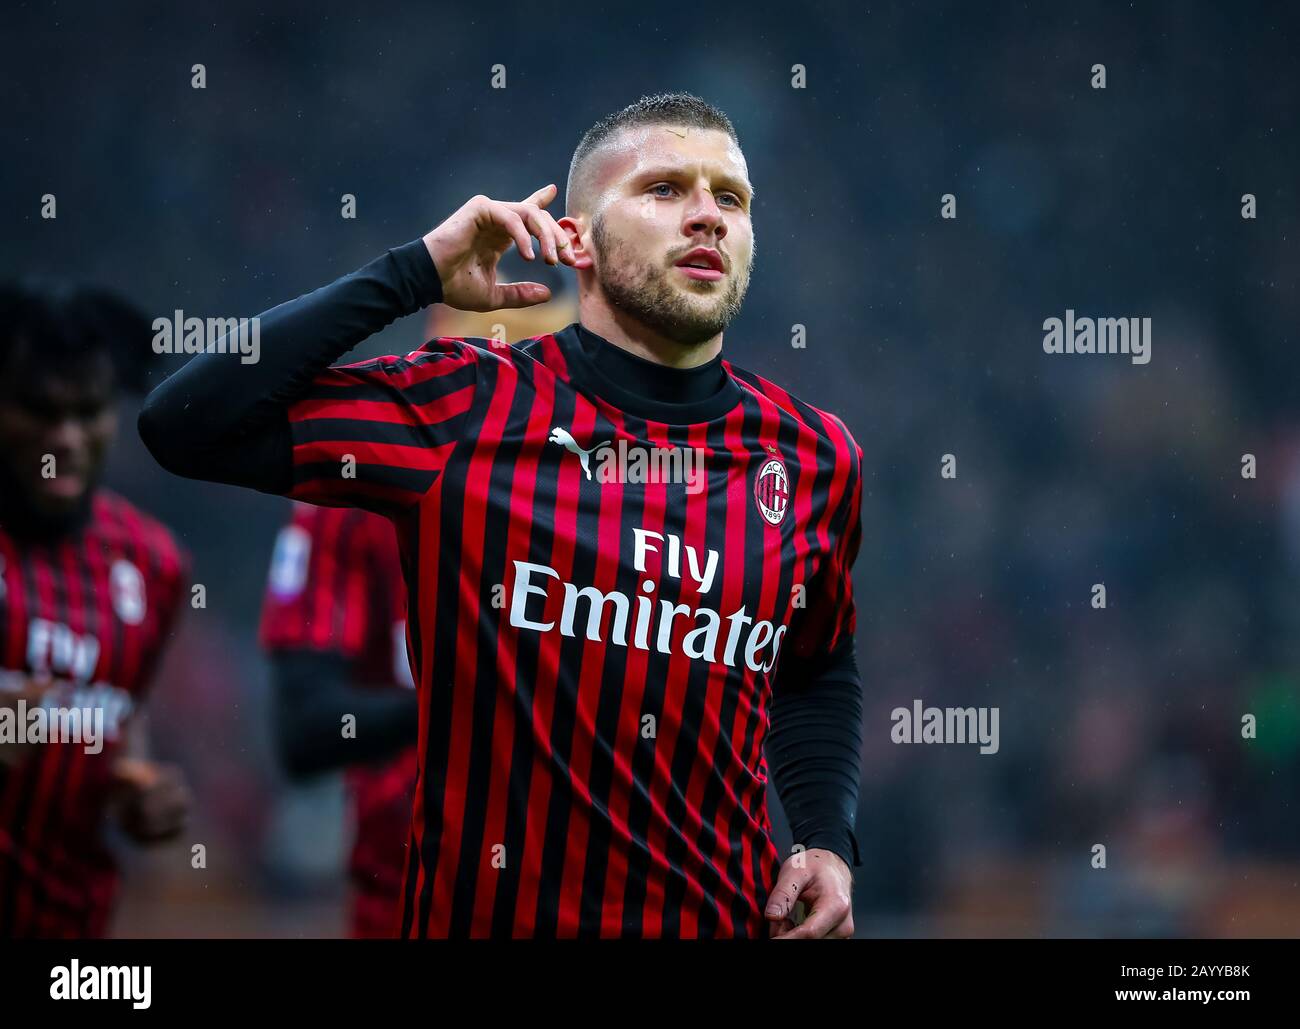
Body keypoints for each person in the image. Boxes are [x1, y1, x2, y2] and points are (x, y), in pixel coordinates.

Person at [140, 92, 865, 939]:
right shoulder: (465, 406)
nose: (707, 215)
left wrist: (825, 839)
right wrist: (412, 272)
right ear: (577, 240)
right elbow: (183, 426)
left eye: (730, 198)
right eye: (665, 189)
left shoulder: (816, 457)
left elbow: (816, 670)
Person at [0, 281, 190, 938]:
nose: (68, 437)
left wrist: (138, 788)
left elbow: (121, 711)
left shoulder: (152, 563)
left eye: (88, 411)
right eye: (40, 410)